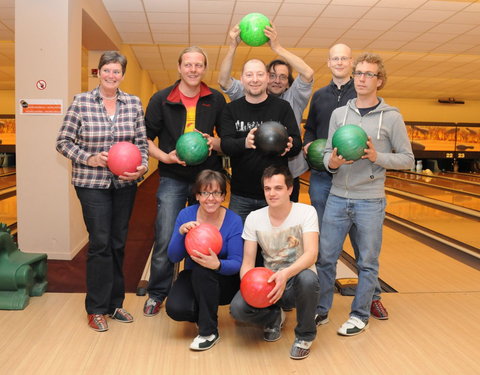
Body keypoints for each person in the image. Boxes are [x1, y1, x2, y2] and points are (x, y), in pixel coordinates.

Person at [316, 52, 414, 336]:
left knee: (367, 262)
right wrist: (331, 163)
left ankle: (359, 314)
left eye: (368, 74)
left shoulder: (392, 117)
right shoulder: (339, 114)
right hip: (337, 196)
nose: (361, 78)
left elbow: (407, 159)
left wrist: (376, 156)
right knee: (325, 258)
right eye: (358, 73)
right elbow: (325, 156)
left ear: (379, 81)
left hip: (370, 200)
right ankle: (321, 310)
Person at [56, 51, 148, 332]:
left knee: (119, 242)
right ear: (99, 72)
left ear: (122, 74)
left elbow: (142, 144)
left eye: (117, 71)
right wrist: (89, 158)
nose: (111, 75)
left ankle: (114, 303)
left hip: (124, 184)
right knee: (100, 243)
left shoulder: (132, 103)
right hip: (91, 183)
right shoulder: (81, 102)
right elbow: (63, 141)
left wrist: (142, 168)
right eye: (106, 70)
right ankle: (96, 308)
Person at [304, 44, 388, 321]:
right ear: (328, 63)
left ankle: (371, 297)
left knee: (362, 247)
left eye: (344, 59)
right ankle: (321, 305)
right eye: (335, 58)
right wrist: (310, 148)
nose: (362, 78)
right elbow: (312, 131)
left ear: (351, 64)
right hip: (325, 176)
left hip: (363, 185)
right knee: (326, 246)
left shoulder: (364, 92)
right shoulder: (319, 97)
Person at [143, 46, 227, 317]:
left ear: (204, 69)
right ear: (179, 67)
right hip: (173, 177)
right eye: (188, 65)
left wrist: (213, 143)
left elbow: (225, 142)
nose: (193, 70)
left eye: (198, 65)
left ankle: (194, 288)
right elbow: (144, 139)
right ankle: (157, 293)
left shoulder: (215, 99)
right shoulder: (161, 99)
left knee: (206, 236)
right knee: (167, 236)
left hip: (206, 180)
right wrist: (164, 159)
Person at [230, 165, 320, 360]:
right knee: (237, 309)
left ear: (289, 189)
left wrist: (285, 274)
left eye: (278, 188)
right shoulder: (254, 218)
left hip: (295, 282)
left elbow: (311, 254)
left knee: (308, 279)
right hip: (268, 285)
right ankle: (274, 316)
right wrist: (251, 288)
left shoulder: (306, 212)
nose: (272, 193)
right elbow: (247, 263)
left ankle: (305, 336)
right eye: (267, 188)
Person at [218, 23, 313, 202]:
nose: (277, 80)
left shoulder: (292, 100)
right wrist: (232, 46)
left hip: (287, 176)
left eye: (283, 76)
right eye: (273, 75)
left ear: (288, 82)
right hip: (246, 184)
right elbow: (223, 81)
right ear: (267, 78)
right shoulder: (249, 92)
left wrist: (277, 48)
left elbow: (308, 73)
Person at [166, 170, 243, 351]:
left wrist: (217, 264)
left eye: (216, 193)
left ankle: (209, 332)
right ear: (198, 195)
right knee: (176, 309)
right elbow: (174, 257)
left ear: (223, 195)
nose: (211, 198)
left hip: (224, 280)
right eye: (205, 193)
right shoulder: (186, 215)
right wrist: (181, 234)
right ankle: (204, 312)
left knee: (204, 268)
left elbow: (237, 262)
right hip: (194, 277)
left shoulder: (233, 220)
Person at [220, 58, 302, 222]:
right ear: (242, 79)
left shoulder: (282, 107)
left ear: (267, 78)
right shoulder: (231, 109)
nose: (255, 79)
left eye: (259, 74)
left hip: (275, 194)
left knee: (277, 246)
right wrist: (245, 142)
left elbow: (297, 142)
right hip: (241, 195)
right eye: (249, 75)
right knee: (240, 245)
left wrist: (290, 145)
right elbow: (226, 144)